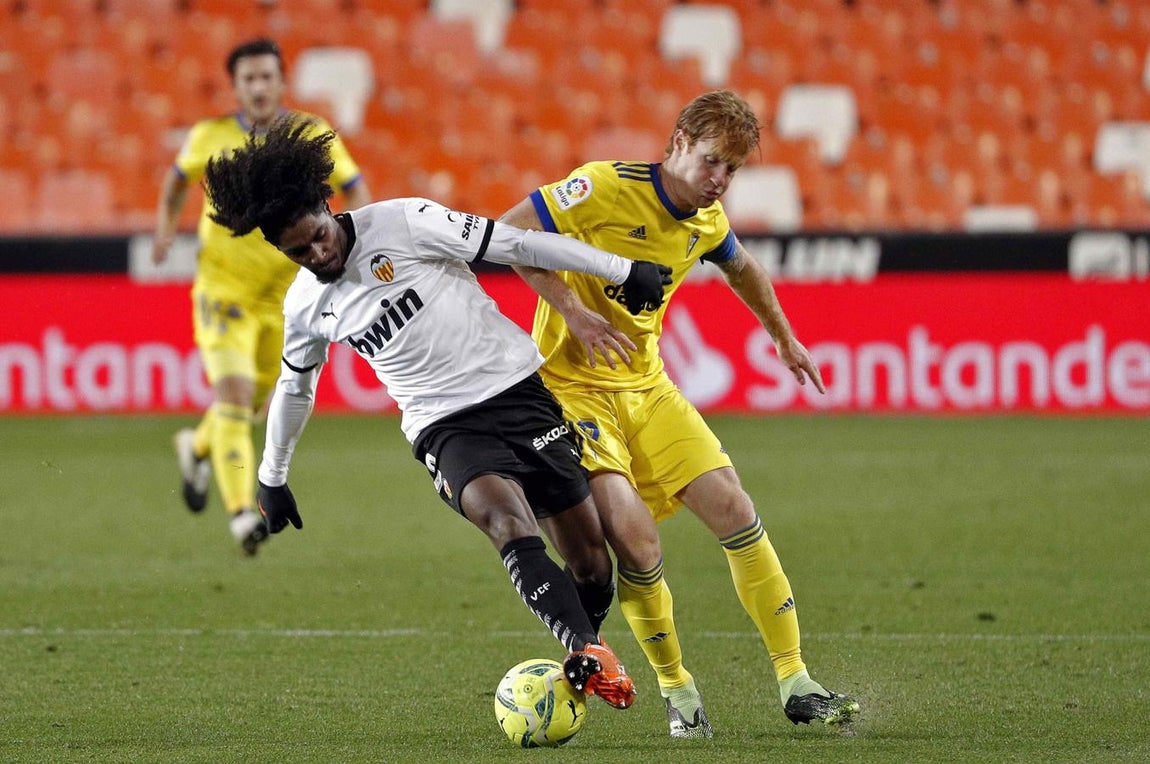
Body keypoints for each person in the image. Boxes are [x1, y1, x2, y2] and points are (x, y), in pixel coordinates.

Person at [202, 116, 676, 709]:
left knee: (592, 564)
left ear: (328, 206)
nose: (318, 253)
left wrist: (620, 269)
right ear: (277, 247)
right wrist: (271, 478)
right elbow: (296, 389)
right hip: (443, 428)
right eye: (298, 251)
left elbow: (516, 243)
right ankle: (586, 649)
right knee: (505, 522)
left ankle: (584, 643)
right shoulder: (305, 307)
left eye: (319, 234)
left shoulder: (404, 221)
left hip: (518, 394)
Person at [499, 89, 860, 737]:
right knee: (636, 543)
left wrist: (782, 334)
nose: (721, 180)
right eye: (713, 162)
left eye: (734, 170)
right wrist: (573, 312)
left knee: (735, 508)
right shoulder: (603, 188)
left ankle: (796, 679)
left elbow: (742, 268)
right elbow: (511, 233)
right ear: (678, 145)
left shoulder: (707, 219)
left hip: (648, 389)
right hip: (572, 393)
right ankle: (676, 687)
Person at [152, 38, 371, 555]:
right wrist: (165, 230)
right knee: (233, 395)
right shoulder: (209, 136)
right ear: (236, 87)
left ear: (281, 81)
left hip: (287, 298)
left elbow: (356, 187)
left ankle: (197, 444)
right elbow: (176, 181)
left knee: (253, 404)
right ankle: (240, 515)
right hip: (223, 293)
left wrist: (359, 238)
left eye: (267, 77)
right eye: (248, 79)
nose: (258, 87)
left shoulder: (311, 134)